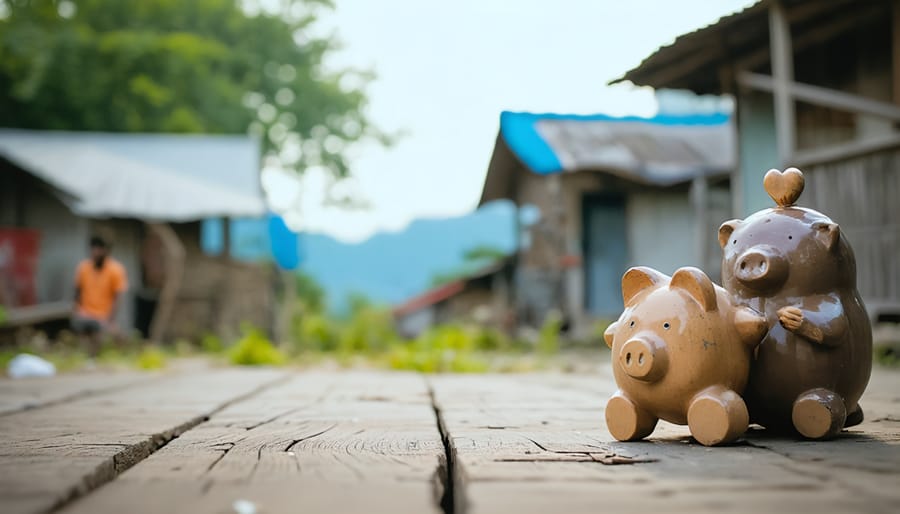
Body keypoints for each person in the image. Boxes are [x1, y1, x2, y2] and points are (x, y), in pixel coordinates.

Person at [72, 235, 128, 342]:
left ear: (106, 250)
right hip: (84, 313)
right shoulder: (83, 268)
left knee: (114, 337)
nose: (95, 252)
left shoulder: (115, 270)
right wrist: (77, 310)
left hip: (103, 316)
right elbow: (77, 292)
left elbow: (118, 297)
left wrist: (111, 319)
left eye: (99, 248)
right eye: (94, 248)